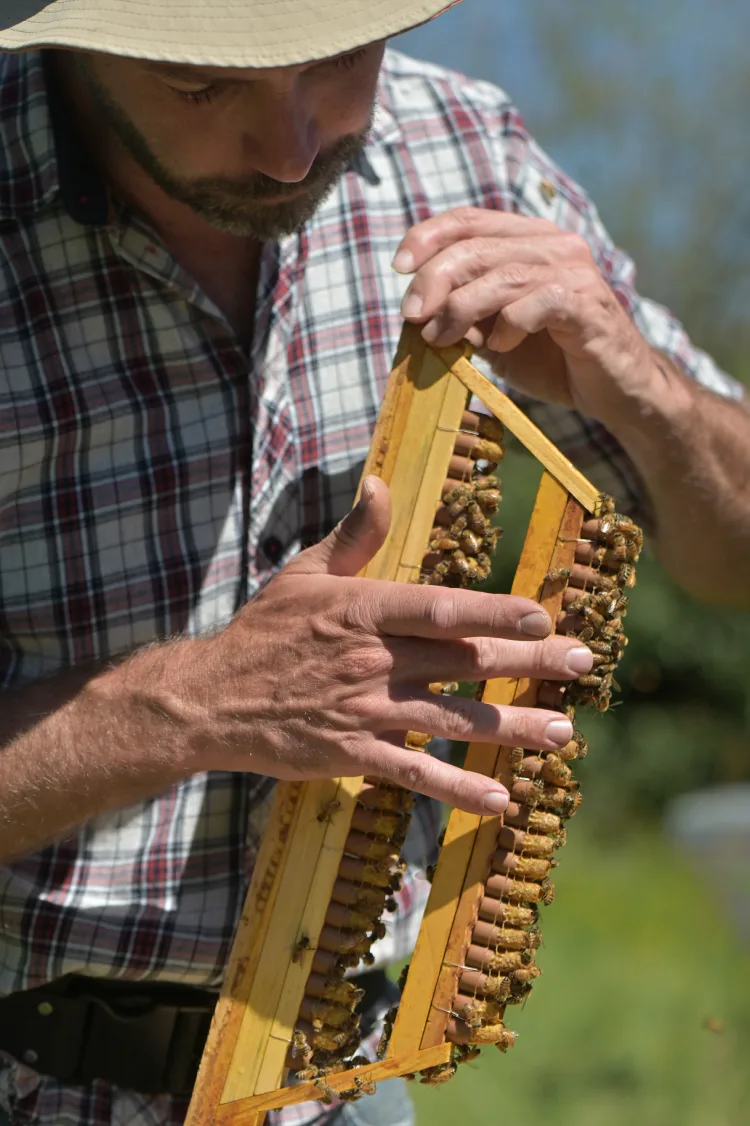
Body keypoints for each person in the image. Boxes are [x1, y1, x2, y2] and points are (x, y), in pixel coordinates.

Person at [0, 1, 748, 1124]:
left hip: (341, 1085)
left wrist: (645, 391)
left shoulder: (463, 147)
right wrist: (190, 702)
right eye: (203, 87)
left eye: (340, 59)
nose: (293, 145)